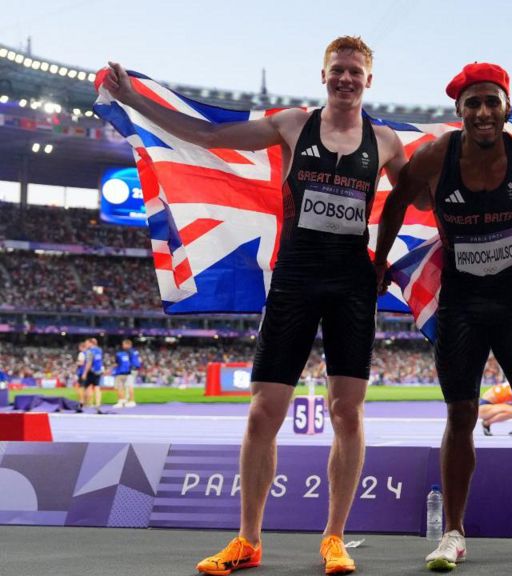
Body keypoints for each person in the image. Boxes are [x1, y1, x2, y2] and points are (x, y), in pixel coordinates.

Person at [103, 35, 407, 575]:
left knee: (347, 412)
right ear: (323, 75)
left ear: (369, 81)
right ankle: (247, 539)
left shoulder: (385, 142)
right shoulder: (293, 125)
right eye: (337, 70)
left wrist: (384, 256)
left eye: (355, 72)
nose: (345, 79)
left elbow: (414, 198)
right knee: (264, 411)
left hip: (351, 285)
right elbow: (212, 136)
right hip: (294, 278)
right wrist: (136, 101)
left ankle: (334, 538)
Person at [374, 62, 512, 571]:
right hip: (460, 306)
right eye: (472, 103)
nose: (482, 112)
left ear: (504, 108)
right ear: (459, 111)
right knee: (460, 416)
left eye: (491, 102)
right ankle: (453, 534)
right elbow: (395, 205)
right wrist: (378, 261)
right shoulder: (436, 156)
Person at [113, 339, 140, 408]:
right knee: (128, 385)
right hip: (134, 369)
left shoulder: (128, 352)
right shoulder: (135, 351)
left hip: (128, 370)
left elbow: (123, 362)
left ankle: (126, 400)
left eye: (124, 344)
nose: (123, 346)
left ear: (128, 344)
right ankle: (128, 400)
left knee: (126, 385)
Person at [81, 337, 104, 410]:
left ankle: (81, 404)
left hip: (91, 372)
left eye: (87, 343)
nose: (86, 345)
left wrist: (84, 373)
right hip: (98, 371)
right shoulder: (99, 350)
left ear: (91, 343)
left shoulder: (89, 351)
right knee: (97, 387)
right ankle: (98, 404)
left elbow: (89, 363)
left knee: (84, 387)